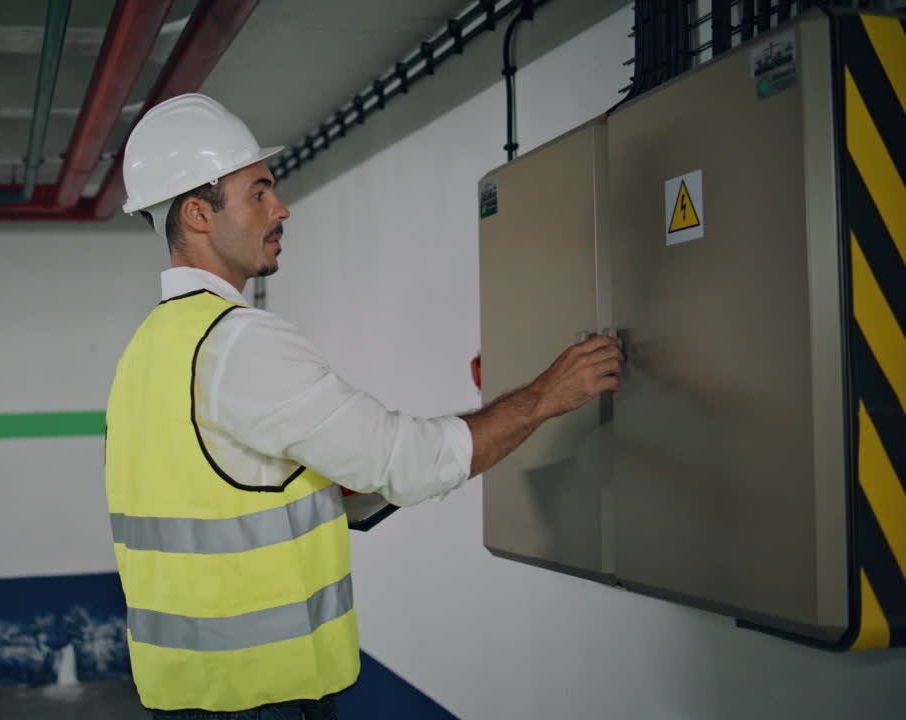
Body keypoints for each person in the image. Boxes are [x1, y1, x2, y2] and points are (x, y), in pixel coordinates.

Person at [104, 93, 622, 720]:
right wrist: (544, 396)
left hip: (184, 693)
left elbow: (237, 491)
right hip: (264, 696)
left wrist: (467, 426)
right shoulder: (239, 340)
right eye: (259, 192)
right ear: (197, 214)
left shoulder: (147, 352)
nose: (281, 209)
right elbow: (406, 463)